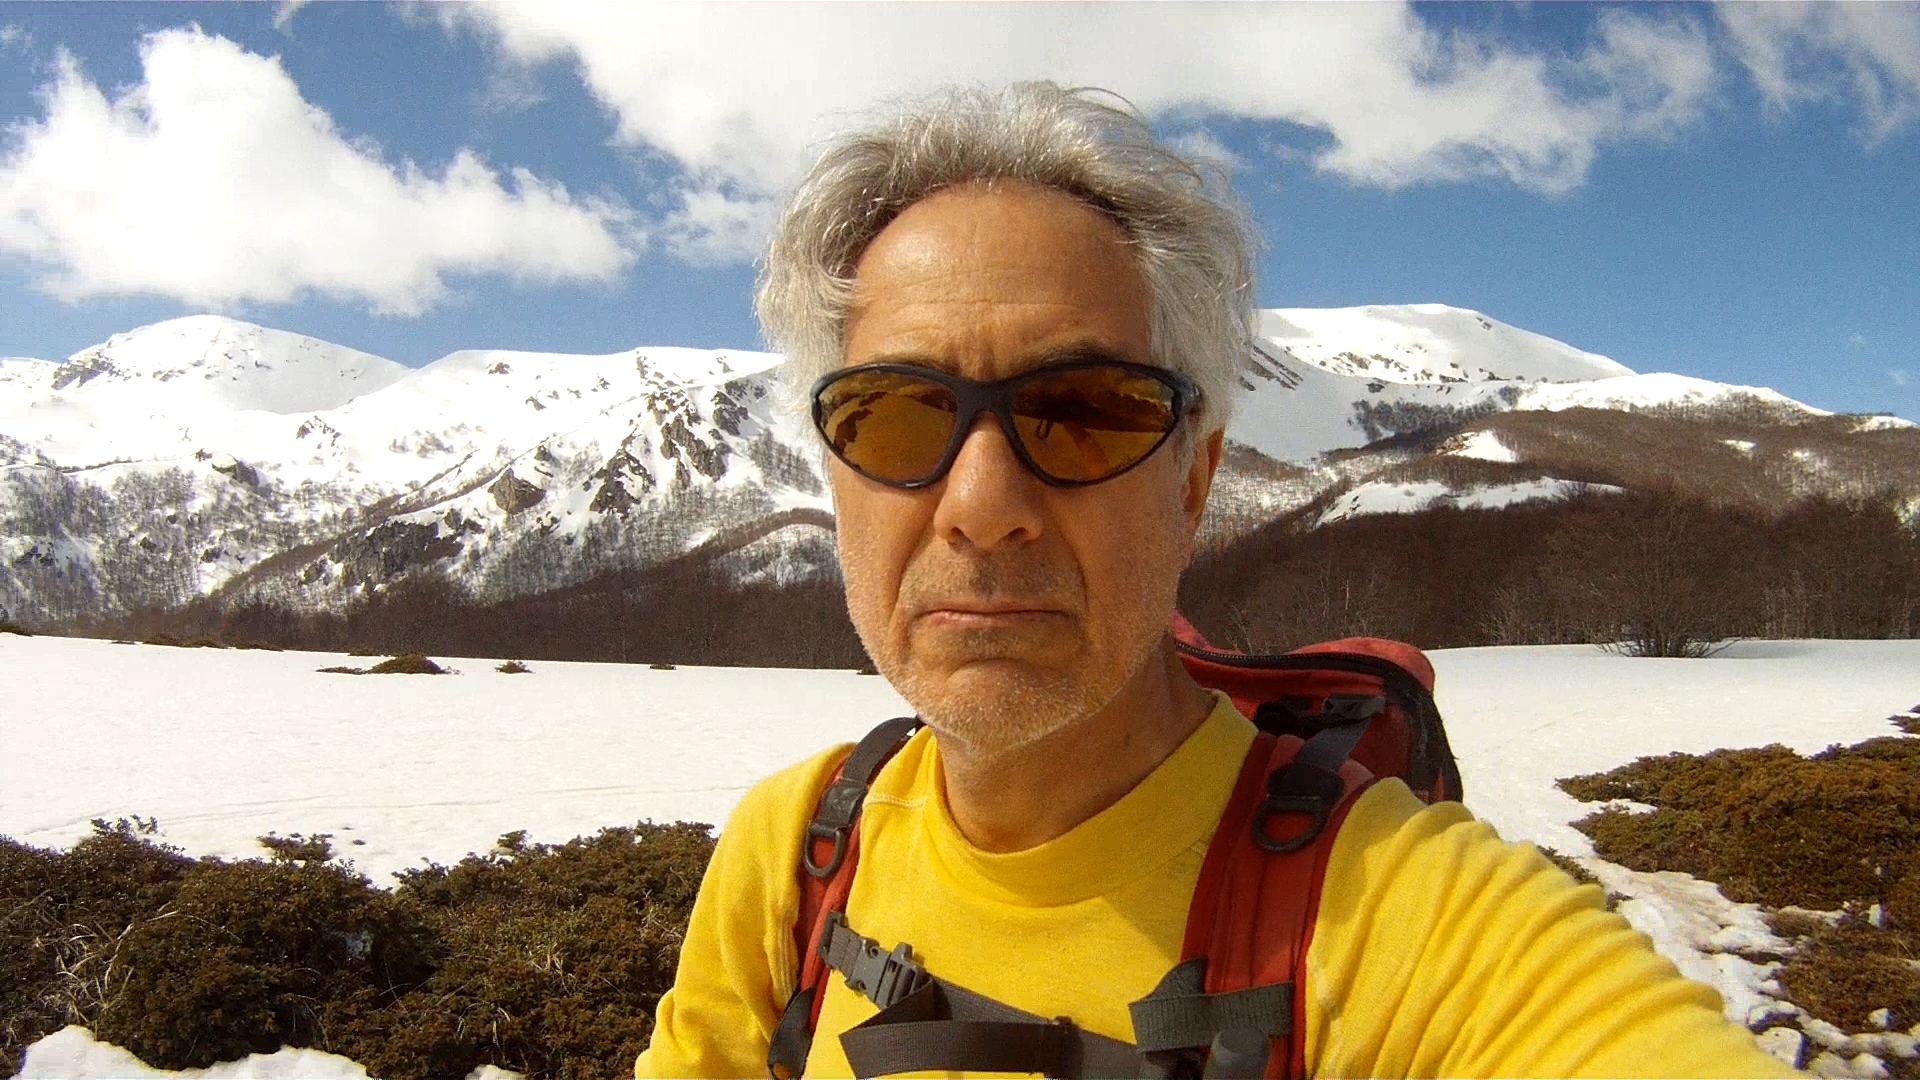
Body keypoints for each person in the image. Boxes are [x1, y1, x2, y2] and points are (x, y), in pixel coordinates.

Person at [636, 82, 1797, 1078]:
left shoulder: (1396, 912)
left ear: (1192, 482)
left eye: (1086, 411)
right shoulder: (794, 851)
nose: (981, 505)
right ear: (836, 477)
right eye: (894, 416)